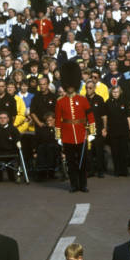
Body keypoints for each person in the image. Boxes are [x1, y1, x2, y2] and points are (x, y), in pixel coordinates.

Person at [55, 61, 96, 192]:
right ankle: (74, 185)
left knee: (83, 162)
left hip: (81, 134)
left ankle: (83, 185)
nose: (70, 87)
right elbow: (57, 120)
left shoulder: (83, 99)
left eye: (72, 85)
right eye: (68, 85)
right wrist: (58, 136)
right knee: (71, 163)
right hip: (67, 136)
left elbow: (90, 117)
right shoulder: (60, 102)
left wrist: (92, 133)